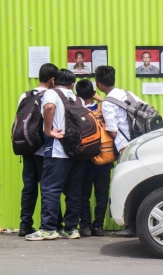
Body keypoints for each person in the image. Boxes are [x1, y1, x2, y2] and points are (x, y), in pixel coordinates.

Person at [25, 69, 86, 241]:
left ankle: (48, 229)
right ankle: (71, 228)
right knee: (73, 192)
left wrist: (48, 130)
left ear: (54, 81)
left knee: (50, 190)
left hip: (58, 150)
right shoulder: (77, 98)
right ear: (72, 84)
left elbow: (50, 107)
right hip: (76, 151)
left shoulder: (51, 93)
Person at [95, 65, 143, 237]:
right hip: (140, 143)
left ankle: (131, 227)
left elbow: (113, 130)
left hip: (125, 147)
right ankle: (138, 225)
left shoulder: (108, 103)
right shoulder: (128, 94)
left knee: (128, 185)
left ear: (99, 84)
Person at [17, 63, 64, 236]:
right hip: (45, 149)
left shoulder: (25, 95)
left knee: (29, 187)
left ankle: (25, 224)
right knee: (49, 188)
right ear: (52, 80)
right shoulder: (51, 96)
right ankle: (55, 224)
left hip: (27, 147)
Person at [75, 79, 113, 237]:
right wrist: (99, 98)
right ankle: (98, 227)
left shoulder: (76, 111)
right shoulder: (103, 109)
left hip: (83, 160)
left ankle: (84, 226)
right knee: (101, 194)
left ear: (77, 95)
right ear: (93, 93)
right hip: (104, 157)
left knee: (83, 194)